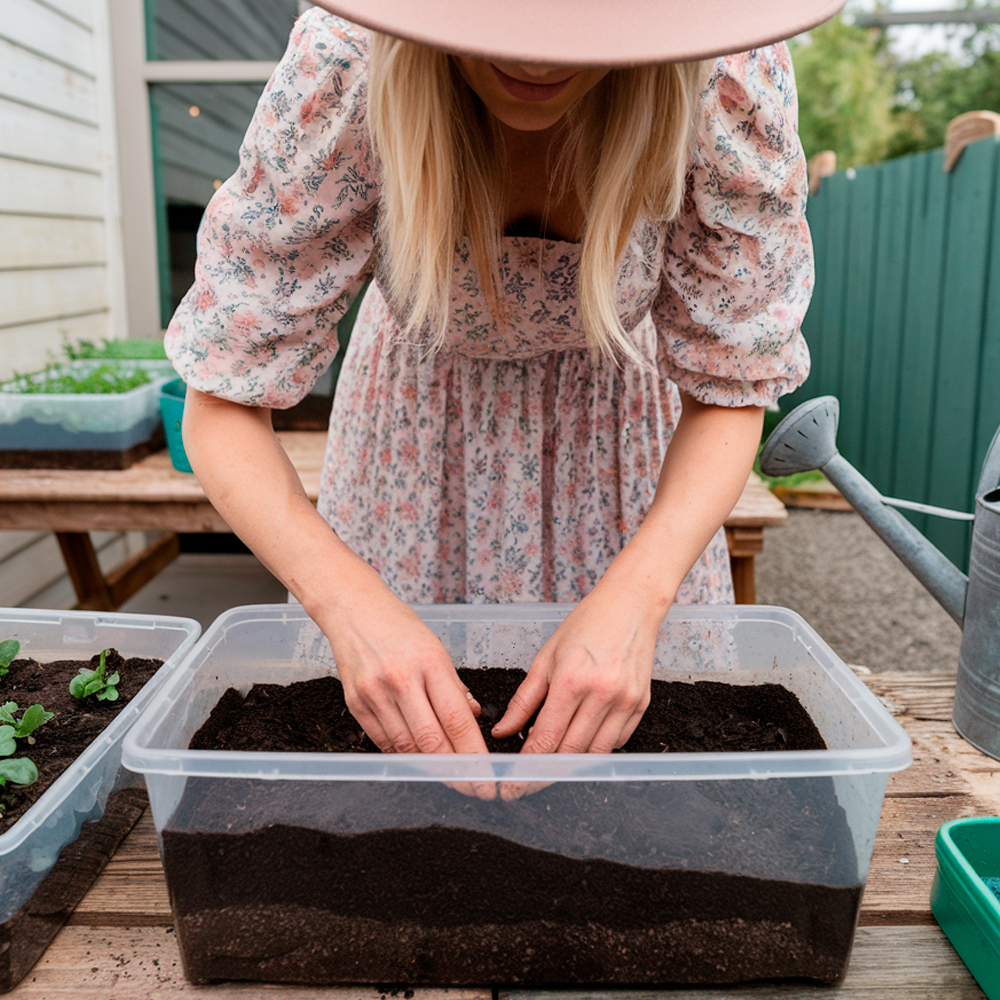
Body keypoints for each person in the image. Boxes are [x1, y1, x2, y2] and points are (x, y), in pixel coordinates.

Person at [165, 0, 842, 759]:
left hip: (622, 460)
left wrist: (637, 600)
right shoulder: (348, 66)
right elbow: (221, 402)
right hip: (411, 457)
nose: (540, 62)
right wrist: (352, 607)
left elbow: (729, 391)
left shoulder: (723, 75)